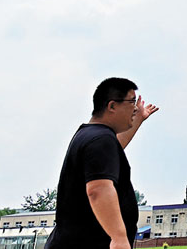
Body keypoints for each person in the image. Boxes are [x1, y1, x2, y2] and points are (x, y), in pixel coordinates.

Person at [46, 77, 159, 249]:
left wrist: (138, 121)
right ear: (112, 106)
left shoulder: (92, 135)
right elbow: (98, 190)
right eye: (131, 102)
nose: (135, 108)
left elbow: (113, 150)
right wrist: (119, 237)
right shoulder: (101, 139)